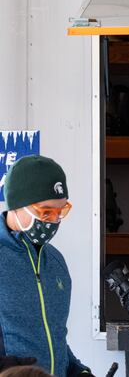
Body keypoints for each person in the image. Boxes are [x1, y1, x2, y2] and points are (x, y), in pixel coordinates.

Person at [0, 156, 93, 376]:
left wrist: (76, 370)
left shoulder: (56, 262)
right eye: (46, 211)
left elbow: (55, 337)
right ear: (16, 204)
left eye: (61, 211)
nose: (54, 220)